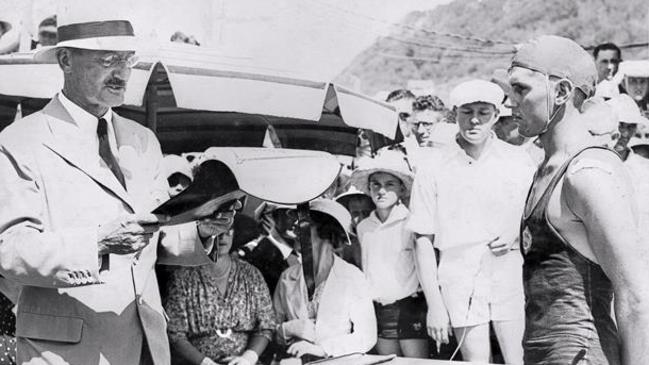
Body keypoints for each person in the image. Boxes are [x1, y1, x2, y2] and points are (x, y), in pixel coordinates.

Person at [0, 8, 216, 364]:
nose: (121, 73)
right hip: (63, 353)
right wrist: (97, 243)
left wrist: (202, 230)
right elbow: (10, 250)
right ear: (65, 60)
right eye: (107, 60)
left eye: (127, 60)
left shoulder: (143, 140)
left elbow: (156, 237)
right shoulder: (21, 141)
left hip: (145, 344)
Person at [508, 34, 649, 364]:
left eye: (520, 89)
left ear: (561, 92)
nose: (510, 102)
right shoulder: (546, 168)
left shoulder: (587, 173)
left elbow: (636, 295)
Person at [408, 79, 534, 364]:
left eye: (483, 112)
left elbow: (533, 218)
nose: (474, 120)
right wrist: (435, 305)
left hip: (509, 273)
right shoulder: (433, 167)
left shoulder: (518, 161)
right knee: (476, 361)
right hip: (458, 277)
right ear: (454, 114)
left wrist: (515, 230)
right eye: (467, 112)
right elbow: (422, 240)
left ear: (497, 114)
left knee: (519, 360)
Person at [165, 197, 276, 365]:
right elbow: (175, 333)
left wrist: (248, 358)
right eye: (215, 231)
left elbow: (266, 326)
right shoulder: (184, 276)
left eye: (228, 230)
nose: (222, 237)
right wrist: (205, 362)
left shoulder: (251, 274)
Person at [273, 199, 377, 359]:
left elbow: (367, 337)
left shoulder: (352, 277)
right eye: (296, 224)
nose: (295, 230)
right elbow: (269, 330)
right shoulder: (288, 277)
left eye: (304, 224)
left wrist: (323, 349)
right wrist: (287, 329)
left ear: (326, 231)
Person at [351, 150, 429, 358]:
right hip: (378, 310)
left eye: (389, 184)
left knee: (415, 363)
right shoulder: (364, 227)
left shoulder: (412, 222)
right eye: (376, 184)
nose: (381, 191)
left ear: (402, 189)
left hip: (410, 306)